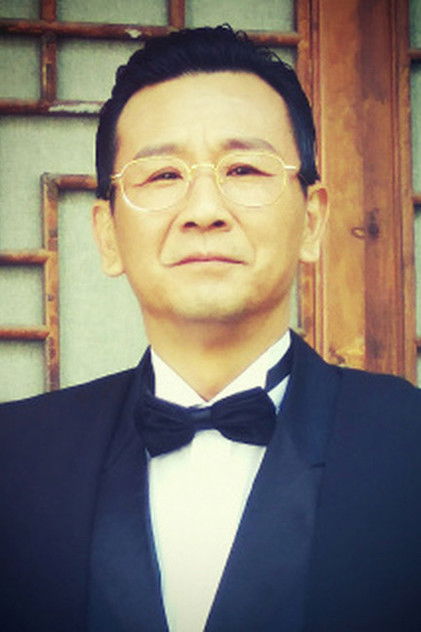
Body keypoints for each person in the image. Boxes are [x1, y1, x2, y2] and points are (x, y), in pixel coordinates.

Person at [1, 25, 420, 632]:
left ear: (311, 220)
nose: (203, 211)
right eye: (162, 175)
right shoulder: (15, 459)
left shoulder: (409, 445)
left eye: (244, 168)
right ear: (108, 235)